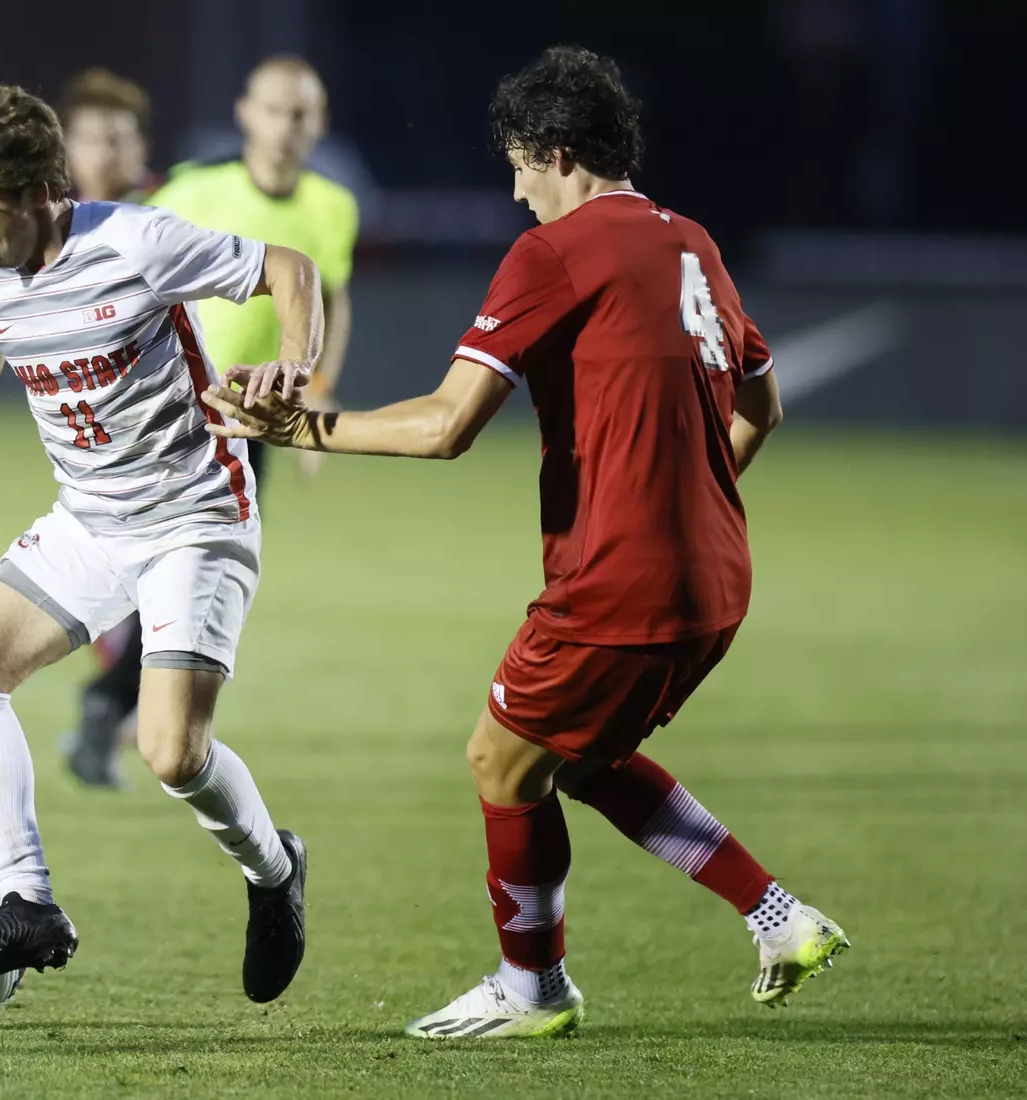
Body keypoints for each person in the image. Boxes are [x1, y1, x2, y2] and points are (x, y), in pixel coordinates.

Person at [203, 46, 848, 1039]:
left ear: (559, 153)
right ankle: (777, 914)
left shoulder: (557, 251)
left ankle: (531, 987)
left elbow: (445, 426)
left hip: (620, 580)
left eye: (519, 168)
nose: (514, 193)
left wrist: (301, 428)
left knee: (500, 762)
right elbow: (760, 401)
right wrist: (686, 497)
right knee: (583, 759)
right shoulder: (693, 241)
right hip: (716, 574)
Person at [0, 85, 322, 1001]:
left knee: (172, 755)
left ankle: (274, 871)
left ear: (32, 194)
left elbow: (290, 270)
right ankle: (29, 904)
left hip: (193, 515)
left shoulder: (136, 242)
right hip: (89, 521)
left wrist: (292, 363)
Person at [63, 55, 360, 788]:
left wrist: (318, 384)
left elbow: (332, 295)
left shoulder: (334, 206)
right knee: (192, 569)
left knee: (182, 570)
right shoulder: (194, 189)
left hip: (252, 417)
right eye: (275, 110)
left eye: (302, 114)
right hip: (176, 408)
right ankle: (124, 706)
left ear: (319, 122)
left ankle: (119, 704)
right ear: (245, 113)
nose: (288, 127)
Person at [59, 68, 159, 203]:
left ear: (144, 146)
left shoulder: (174, 205)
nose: (105, 154)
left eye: (116, 140)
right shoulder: (52, 217)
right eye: (91, 140)